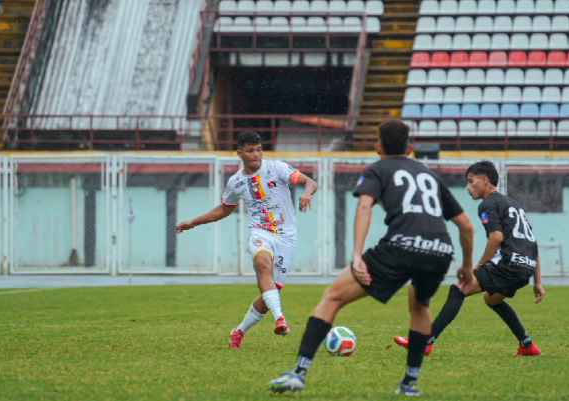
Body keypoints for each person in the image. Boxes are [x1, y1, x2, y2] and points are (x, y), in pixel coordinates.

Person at [268, 120, 475, 396]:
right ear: (410, 147)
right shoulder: (429, 175)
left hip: (401, 246)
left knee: (332, 297)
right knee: (419, 306)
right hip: (440, 250)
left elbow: (364, 206)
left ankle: (299, 372)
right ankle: (410, 382)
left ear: (378, 146)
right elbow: (466, 225)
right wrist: (467, 266)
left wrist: (357, 255)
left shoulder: (378, 169)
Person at [176, 131, 318, 347]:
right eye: (250, 150)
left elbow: (310, 182)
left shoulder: (277, 168)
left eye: (259, 149)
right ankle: (280, 318)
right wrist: (193, 222)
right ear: (240, 153)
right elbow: (223, 209)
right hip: (260, 233)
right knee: (262, 263)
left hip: (286, 237)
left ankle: (239, 330)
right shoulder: (236, 182)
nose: (256, 154)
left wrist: (306, 192)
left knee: (270, 292)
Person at [394, 160, 545, 356]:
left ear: (485, 180)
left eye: (471, 181)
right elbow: (531, 242)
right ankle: (527, 344)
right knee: (492, 299)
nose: (467, 186)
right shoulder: (514, 205)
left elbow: (496, 237)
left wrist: (477, 267)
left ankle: (425, 341)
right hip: (526, 267)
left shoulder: (487, 204)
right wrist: (537, 282)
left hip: (508, 264)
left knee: (460, 287)